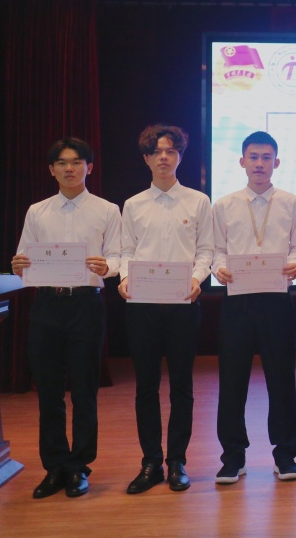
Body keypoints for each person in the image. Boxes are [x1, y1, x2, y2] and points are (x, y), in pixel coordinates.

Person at [11, 138, 122, 499]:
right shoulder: (37, 211)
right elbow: (23, 257)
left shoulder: (107, 210)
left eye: (76, 162)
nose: (69, 168)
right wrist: (19, 264)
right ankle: (55, 466)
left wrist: (108, 266)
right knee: (48, 391)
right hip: (47, 305)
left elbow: (118, 255)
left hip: (86, 305)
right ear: (52, 170)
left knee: (85, 390)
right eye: (62, 163)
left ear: (89, 167)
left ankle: (79, 467)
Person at [118, 124, 214, 493]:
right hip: (142, 305)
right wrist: (125, 278)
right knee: (145, 386)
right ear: (146, 158)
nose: (163, 157)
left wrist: (197, 279)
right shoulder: (133, 204)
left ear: (179, 157)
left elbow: (205, 250)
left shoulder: (198, 201)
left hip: (183, 304)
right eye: (156, 152)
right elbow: (127, 251)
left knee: (182, 386)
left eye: (170, 151)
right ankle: (150, 462)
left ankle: (177, 461)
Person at [211, 131, 296, 484]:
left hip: (277, 300)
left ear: (276, 162)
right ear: (242, 161)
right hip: (237, 300)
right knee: (232, 380)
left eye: (267, 157)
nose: (260, 164)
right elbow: (217, 250)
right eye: (254, 157)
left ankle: (285, 455)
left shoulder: (292, 203)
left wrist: (295, 264)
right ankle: (233, 457)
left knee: (281, 379)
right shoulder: (224, 205)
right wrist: (219, 268)